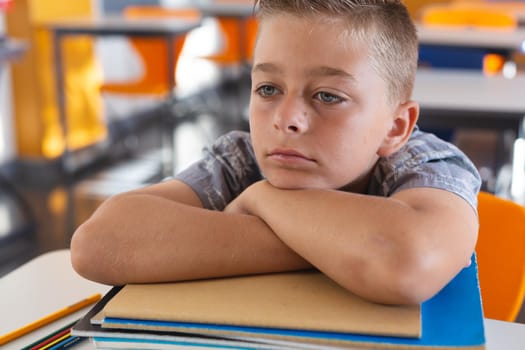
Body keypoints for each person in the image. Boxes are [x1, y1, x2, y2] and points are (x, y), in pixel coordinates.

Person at [71, 0, 481, 305]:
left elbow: (407, 262)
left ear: (395, 127)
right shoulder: (242, 157)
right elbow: (99, 245)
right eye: (268, 89)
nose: (287, 119)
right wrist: (337, 247)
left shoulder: (424, 162)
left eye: (327, 95)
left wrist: (263, 199)